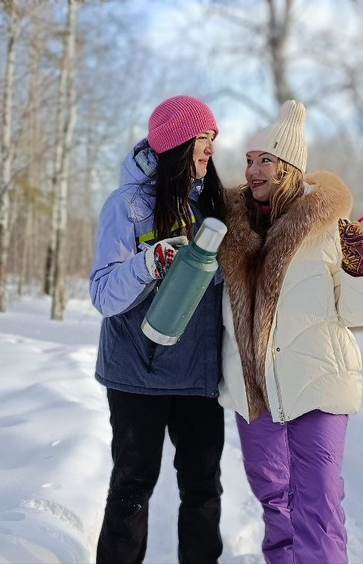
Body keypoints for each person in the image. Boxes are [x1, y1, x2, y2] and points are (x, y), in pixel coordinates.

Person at [217, 100, 363, 564]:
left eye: (264, 160)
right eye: (249, 160)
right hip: (256, 388)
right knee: (273, 496)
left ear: (289, 167)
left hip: (318, 381)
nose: (252, 169)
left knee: (318, 501)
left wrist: (361, 268)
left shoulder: (330, 228)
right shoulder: (230, 230)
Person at [89, 94, 227, 564]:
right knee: (132, 486)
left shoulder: (213, 205)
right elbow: (104, 295)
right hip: (137, 374)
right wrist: (150, 262)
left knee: (204, 491)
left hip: (198, 376)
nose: (211, 149)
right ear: (178, 142)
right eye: (204, 139)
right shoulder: (127, 206)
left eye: (213, 140)